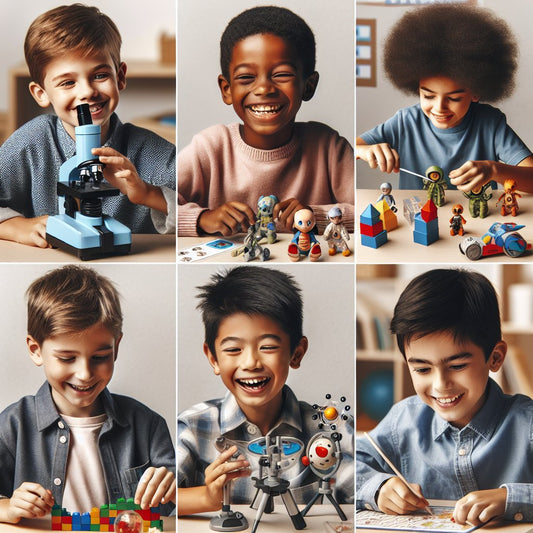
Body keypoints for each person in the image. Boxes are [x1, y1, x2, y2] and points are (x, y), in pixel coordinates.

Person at [356, 269, 533, 526]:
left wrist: (512, 499)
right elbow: (342, 462)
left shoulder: (526, 424)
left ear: (495, 358)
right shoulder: (403, 420)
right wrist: (378, 487)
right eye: (422, 369)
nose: (441, 385)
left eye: (458, 366)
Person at [0, 266, 176, 523]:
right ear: (36, 350)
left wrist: (170, 490)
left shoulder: (147, 425)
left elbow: (175, 506)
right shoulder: (12, 425)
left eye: (100, 357)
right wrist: (7, 508)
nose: (84, 373)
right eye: (67, 358)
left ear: (116, 347)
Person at [177, 266, 353, 515]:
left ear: (296, 353)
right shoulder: (193, 427)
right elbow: (161, 502)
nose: (251, 363)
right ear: (213, 358)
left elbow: (364, 490)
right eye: (233, 350)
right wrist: (207, 497)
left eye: (268, 347)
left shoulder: (332, 427)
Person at [0, 4, 176, 248]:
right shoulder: (31, 143)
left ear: (120, 76)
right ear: (41, 93)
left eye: (100, 75)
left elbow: (205, 212)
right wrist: (15, 226)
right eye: (68, 82)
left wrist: (150, 193)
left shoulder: (154, 153)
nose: (87, 92)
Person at [178, 5, 354, 237]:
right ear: (227, 89)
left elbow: (369, 211)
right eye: (246, 78)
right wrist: (202, 218)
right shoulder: (209, 148)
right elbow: (159, 203)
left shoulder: (329, 148)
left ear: (308, 86)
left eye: (281, 75)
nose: (263, 88)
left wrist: (314, 215)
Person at [356, 4, 533, 194]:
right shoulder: (405, 122)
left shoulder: (490, 124)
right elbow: (352, 148)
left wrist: (493, 170)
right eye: (428, 96)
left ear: (476, 92)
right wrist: (363, 151)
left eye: (454, 98)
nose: (439, 108)